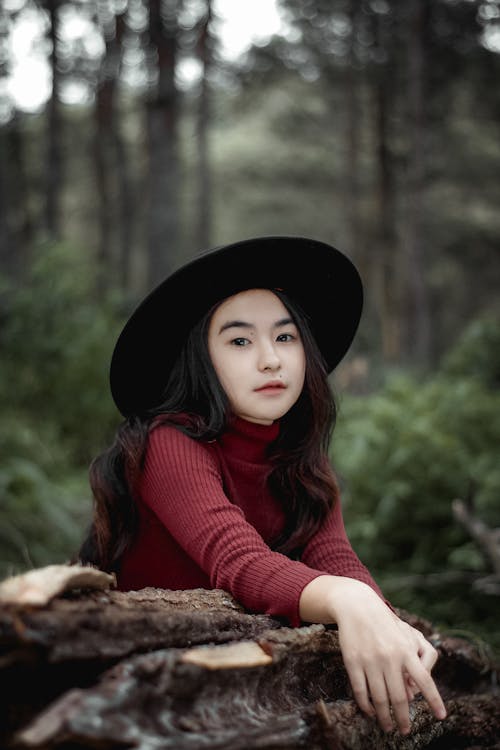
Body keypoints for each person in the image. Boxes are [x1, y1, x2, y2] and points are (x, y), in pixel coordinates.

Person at [79, 236, 447, 736]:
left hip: (243, 692)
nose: (271, 360)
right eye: (239, 341)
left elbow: (335, 559)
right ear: (201, 359)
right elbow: (239, 561)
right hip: (133, 698)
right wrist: (350, 601)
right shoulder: (167, 444)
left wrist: (383, 620)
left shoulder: (301, 460)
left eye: (286, 337)